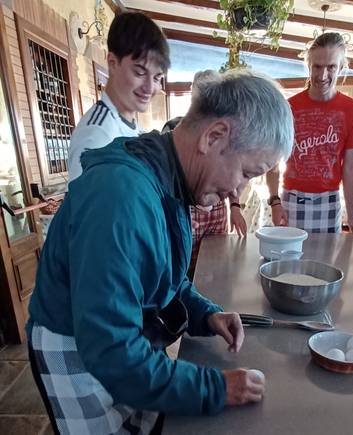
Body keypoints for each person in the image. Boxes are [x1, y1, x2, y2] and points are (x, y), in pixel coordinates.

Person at [27, 68, 294, 434]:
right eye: (247, 172)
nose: (238, 192)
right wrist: (216, 388)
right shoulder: (120, 197)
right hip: (77, 343)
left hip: (116, 337)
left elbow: (162, 272)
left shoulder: (168, 177)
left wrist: (205, 314)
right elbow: (111, 351)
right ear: (214, 136)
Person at [265, 32, 353, 238]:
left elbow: (350, 165)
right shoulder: (288, 107)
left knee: (326, 265)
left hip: (329, 201)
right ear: (308, 67)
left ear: (341, 67)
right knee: (288, 264)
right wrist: (275, 201)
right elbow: (273, 160)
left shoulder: (352, 109)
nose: (323, 75)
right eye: (317, 67)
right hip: (292, 200)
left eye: (331, 67)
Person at [68, 11, 170, 182]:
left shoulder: (135, 130)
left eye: (157, 78)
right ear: (112, 63)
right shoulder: (97, 134)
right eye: (139, 72)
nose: (150, 87)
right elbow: (89, 206)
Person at [161, 117, 247, 277]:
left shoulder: (218, 146)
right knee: (184, 257)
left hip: (217, 212)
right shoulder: (170, 141)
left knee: (216, 258)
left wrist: (235, 207)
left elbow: (229, 178)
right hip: (189, 211)